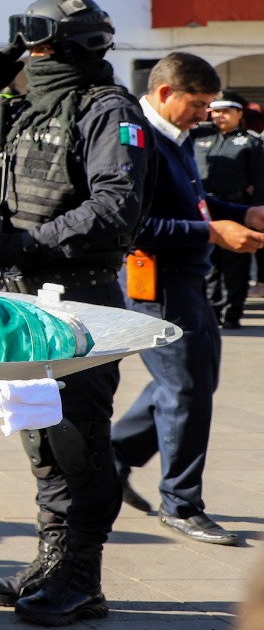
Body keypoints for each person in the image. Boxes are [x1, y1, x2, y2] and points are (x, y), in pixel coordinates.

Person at [0, 0, 147, 628]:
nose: (29, 58)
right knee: (39, 434)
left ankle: (81, 578)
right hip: (18, 297)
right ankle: (51, 562)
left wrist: (29, 242)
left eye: (38, 45)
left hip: (78, 300)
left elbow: (117, 206)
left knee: (77, 440)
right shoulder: (19, 108)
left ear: (70, 47)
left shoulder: (106, 108)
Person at [111, 54, 264, 548]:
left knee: (190, 381)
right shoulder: (133, 137)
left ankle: (112, 459)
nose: (204, 114)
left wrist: (243, 212)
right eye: (197, 104)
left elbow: (191, 203)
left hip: (185, 277)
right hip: (156, 281)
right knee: (185, 388)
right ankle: (181, 503)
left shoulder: (172, 136)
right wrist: (213, 232)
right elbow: (134, 226)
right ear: (164, 93)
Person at [193, 91, 264, 330]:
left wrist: (254, 213)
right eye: (215, 111)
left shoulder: (251, 142)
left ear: (239, 113)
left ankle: (232, 313)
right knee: (210, 266)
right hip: (205, 210)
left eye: (225, 111)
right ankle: (212, 312)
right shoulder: (200, 138)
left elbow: (260, 181)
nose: (219, 116)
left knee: (236, 266)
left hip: (237, 209)